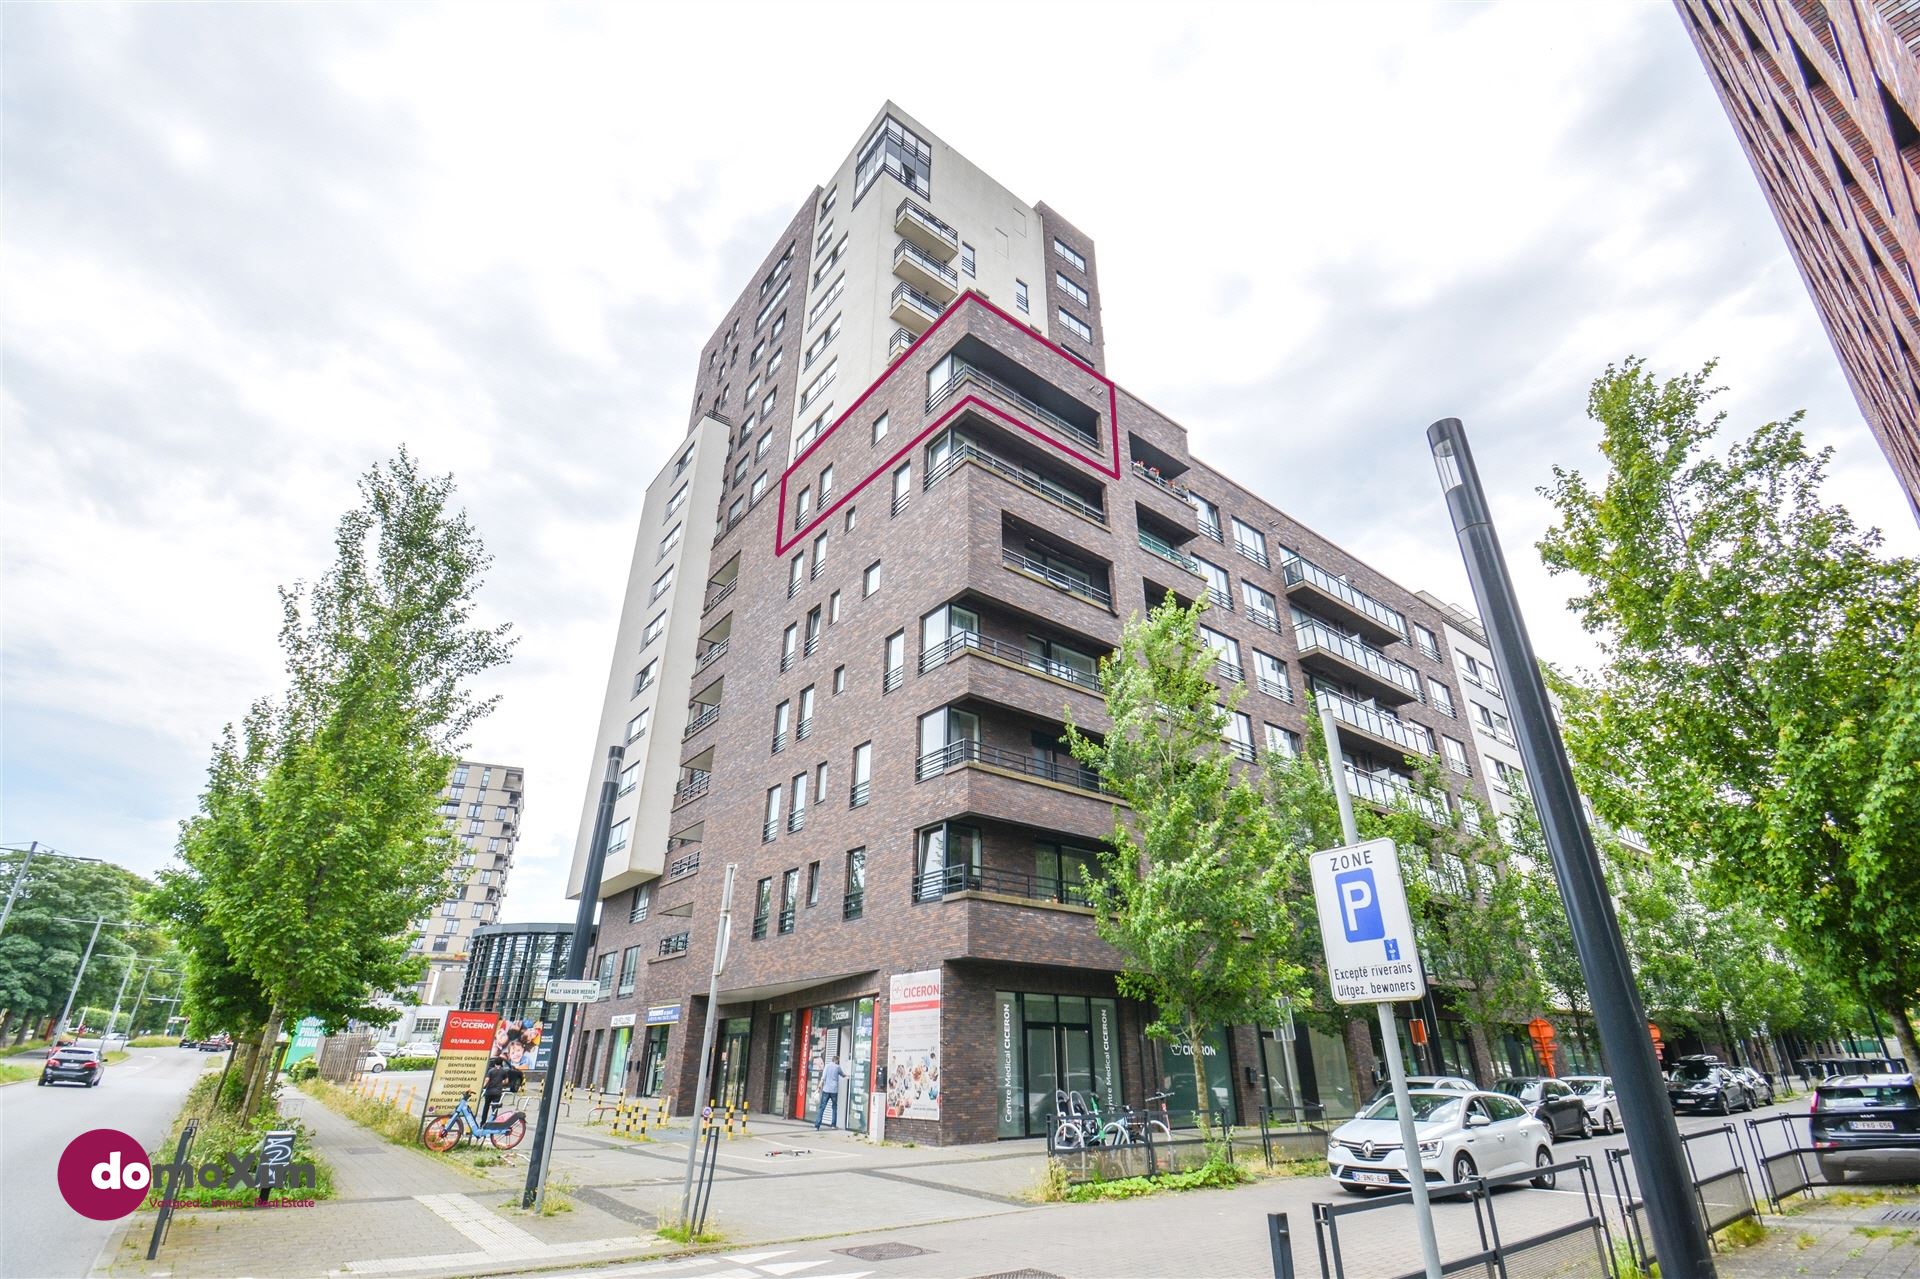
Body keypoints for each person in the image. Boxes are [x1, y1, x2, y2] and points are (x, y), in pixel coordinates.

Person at [814, 1056, 845, 1130]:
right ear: (836, 1061)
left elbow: (823, 1078)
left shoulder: (827, 1066)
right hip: (834, 1091)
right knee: (834, 1107)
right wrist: (847, 1075)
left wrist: (819, 1088)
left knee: (822, 1108)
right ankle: (833, 1125)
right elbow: (843, 1075)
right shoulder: (838, 1067)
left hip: (826, 1090)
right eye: (838, 1061)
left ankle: (817, 1126)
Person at [482, 1056, 514, 1125]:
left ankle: (483, 1123)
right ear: (501, 1063)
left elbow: (487, 1080)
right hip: (497, 1092)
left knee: (486, 1107)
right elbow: (506, 1081)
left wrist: (483, 1087)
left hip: (489, 1092)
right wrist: (500, 1083)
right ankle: (493, 1123)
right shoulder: (503, 1071)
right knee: (495, 1109)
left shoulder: (491, 1071)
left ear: (495, 1063)